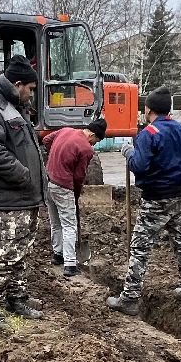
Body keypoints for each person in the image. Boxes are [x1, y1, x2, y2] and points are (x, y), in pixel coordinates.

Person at [107, 87, 181, 316]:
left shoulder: (149, 133)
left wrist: (129, 152)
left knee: (140, 248)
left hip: (155, 199)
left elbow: (139, 166)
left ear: (147, 109)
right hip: (178, 195)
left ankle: (129, 298)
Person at [0, 55, 46, 329]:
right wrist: (23, 174)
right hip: (8, 198)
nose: (32, 94)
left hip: (23, 196)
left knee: (21, 251)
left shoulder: (13, 105)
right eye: (31, 89)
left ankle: (16, 298)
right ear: (18, 84)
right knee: (7, 253)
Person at [43, 118, 108, 277]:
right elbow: (79, 177)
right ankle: (70, 264)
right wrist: (75, 194)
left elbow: (46, 140)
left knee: (55, 222)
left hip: (48, 181)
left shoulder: (65, 130)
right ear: (92, 134)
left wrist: (57, 155)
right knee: (69, 225)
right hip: (63, 187)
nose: (94, 145)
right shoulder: (86, 149)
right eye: (96, 141)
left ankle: (58, 255)